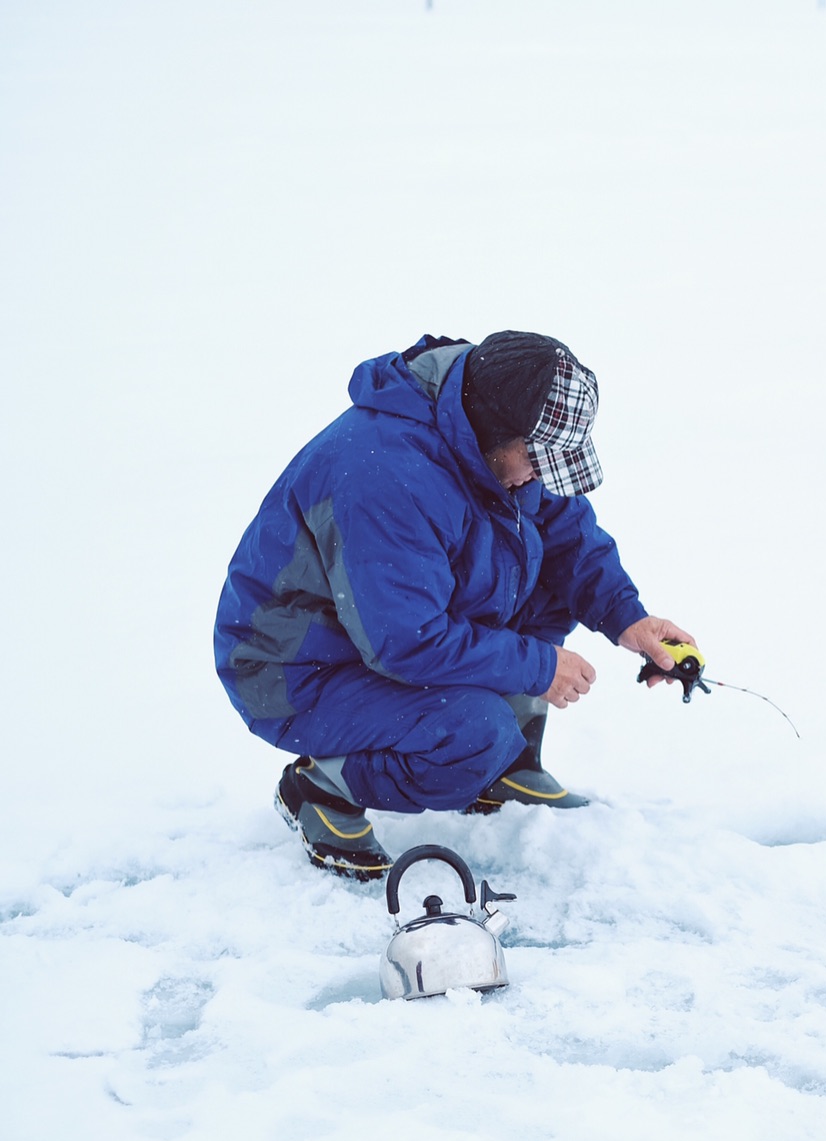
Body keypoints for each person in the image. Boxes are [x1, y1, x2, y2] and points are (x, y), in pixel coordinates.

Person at [213, 331, 696, 880]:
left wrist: (628, 618)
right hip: (296, 667)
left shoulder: (484, 440)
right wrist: (537, 667)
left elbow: (564, 531)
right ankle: (319, 788)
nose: (542, 475)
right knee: (470, 733)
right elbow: (407, 641)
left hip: (379, 632)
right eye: (539, 459)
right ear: (498, 431)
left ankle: (507, 766)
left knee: (542, 575)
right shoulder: (388, 475)